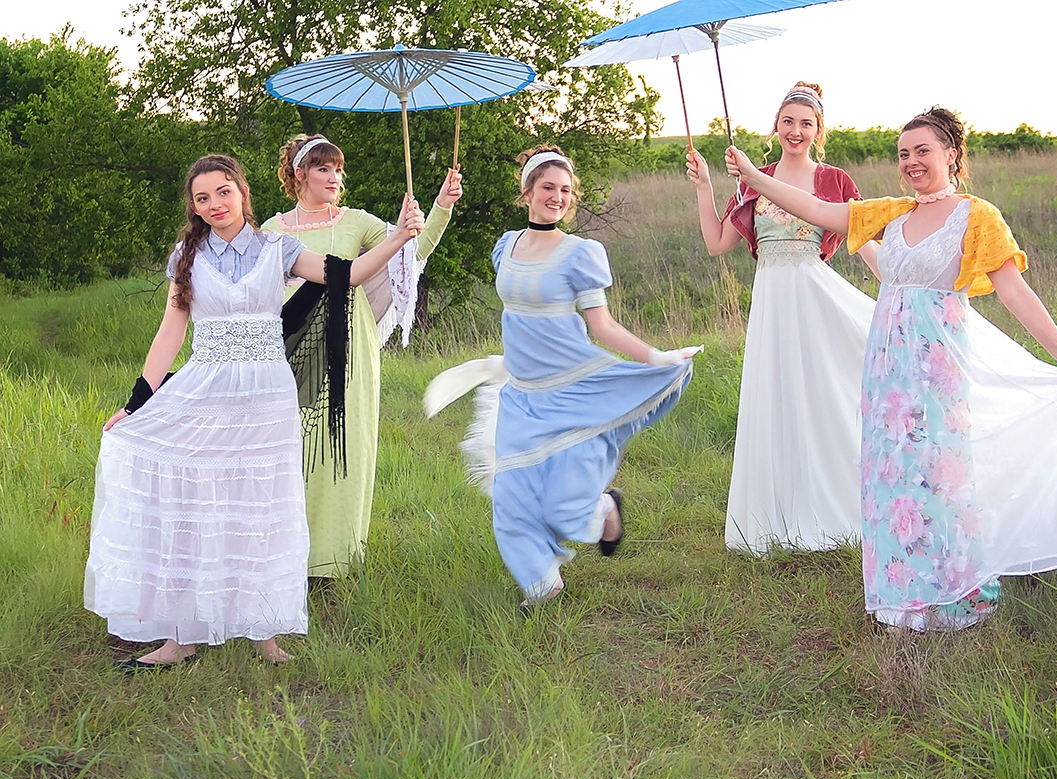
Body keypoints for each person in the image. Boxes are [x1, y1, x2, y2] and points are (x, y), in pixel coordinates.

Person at [726, 108, 1057, 631]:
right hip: (887, 366)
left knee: (942, 469)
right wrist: (755, 178)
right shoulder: (893, 213)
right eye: (903, 154)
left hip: (938, 362)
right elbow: (821, 209)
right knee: (891, 473)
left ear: (951, 155)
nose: (911, 162)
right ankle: (902, 594)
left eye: (923, 151)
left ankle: (954, 588)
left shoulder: (976, 215)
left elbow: (1012, 289)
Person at [84, 154, 424, 668]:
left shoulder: (277, 248)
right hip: (207, 385)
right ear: (194, 208)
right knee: (195, 502)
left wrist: (399, 237)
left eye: (223, 192)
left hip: (266, 393)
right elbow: (171, 330)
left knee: (263, 504)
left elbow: (348, 276)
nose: (215, 204)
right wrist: (138, 401)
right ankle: (182, 638)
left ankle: (265, 633)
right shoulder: (187, 256)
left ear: (242, 192)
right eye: (203, 198)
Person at [426, 145, 699, 608]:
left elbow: (602, 325)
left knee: (564, 505)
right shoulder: (505, 247)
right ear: (527, 191)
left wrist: (655, 357)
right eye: (548, 188)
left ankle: (605, 509)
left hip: (572, 387)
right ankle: (542, 584)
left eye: (566, 190)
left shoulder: (579, 253)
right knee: (510, 499)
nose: (557, 197)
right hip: (522, 394)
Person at [687, 82, 878, 554]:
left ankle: (837, 507)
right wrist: (706, 187)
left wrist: (899, 283)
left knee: (822, 396)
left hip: (815, 299)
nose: (796, 130)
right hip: (772, 301)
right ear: (776, 125)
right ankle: (779, 519)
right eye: (788, 121)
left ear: (818, 130)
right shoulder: (754, 179)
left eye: (806, 123)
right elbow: (717, 244)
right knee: (777, 396)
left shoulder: (834, 181)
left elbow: (864, 240)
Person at [262, 134, 460, 578]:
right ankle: (286, 559)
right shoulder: (272, 231)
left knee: (342, 449)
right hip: (290, 348)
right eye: (323, 169)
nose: (334, 178)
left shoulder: (357, 222)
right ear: (299, 175)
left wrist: (439, 208)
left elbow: (410, 254)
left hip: (350, 346)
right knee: (292, 451)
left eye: (337, 170)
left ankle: (332, 565)